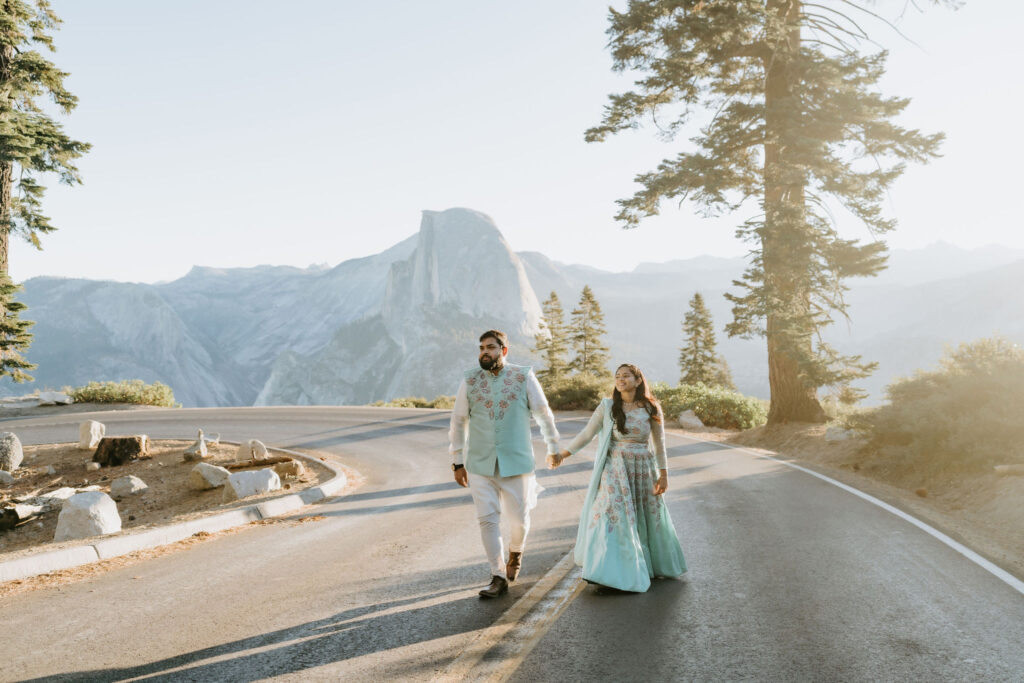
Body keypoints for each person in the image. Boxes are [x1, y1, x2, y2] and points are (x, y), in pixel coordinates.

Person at [548, 363, 686, 592]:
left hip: (642, 467)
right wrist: (563, 454)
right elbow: (587, 434)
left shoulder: (651, 408)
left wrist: (663, 474)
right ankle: (606, 570)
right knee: (613, 514)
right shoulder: (608, 406)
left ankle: (647, 565)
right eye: (617, 376)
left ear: (638, 380)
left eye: (626, 376)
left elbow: (659, 445)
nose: (621, 379)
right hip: (615, 467)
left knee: (643, 515)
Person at [449, 330, 560, 599]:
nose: (484, 352)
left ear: (504, 351)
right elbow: (458, 420)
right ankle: (497, 575)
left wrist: (553, 446)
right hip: (479, 463)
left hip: (516, 461)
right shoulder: (470, 379)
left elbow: (543, 413)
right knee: (487, 520)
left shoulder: (523, 376)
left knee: (519, 519)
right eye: (481, 348)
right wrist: (457, 462)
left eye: (490, 348)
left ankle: (516, 552)